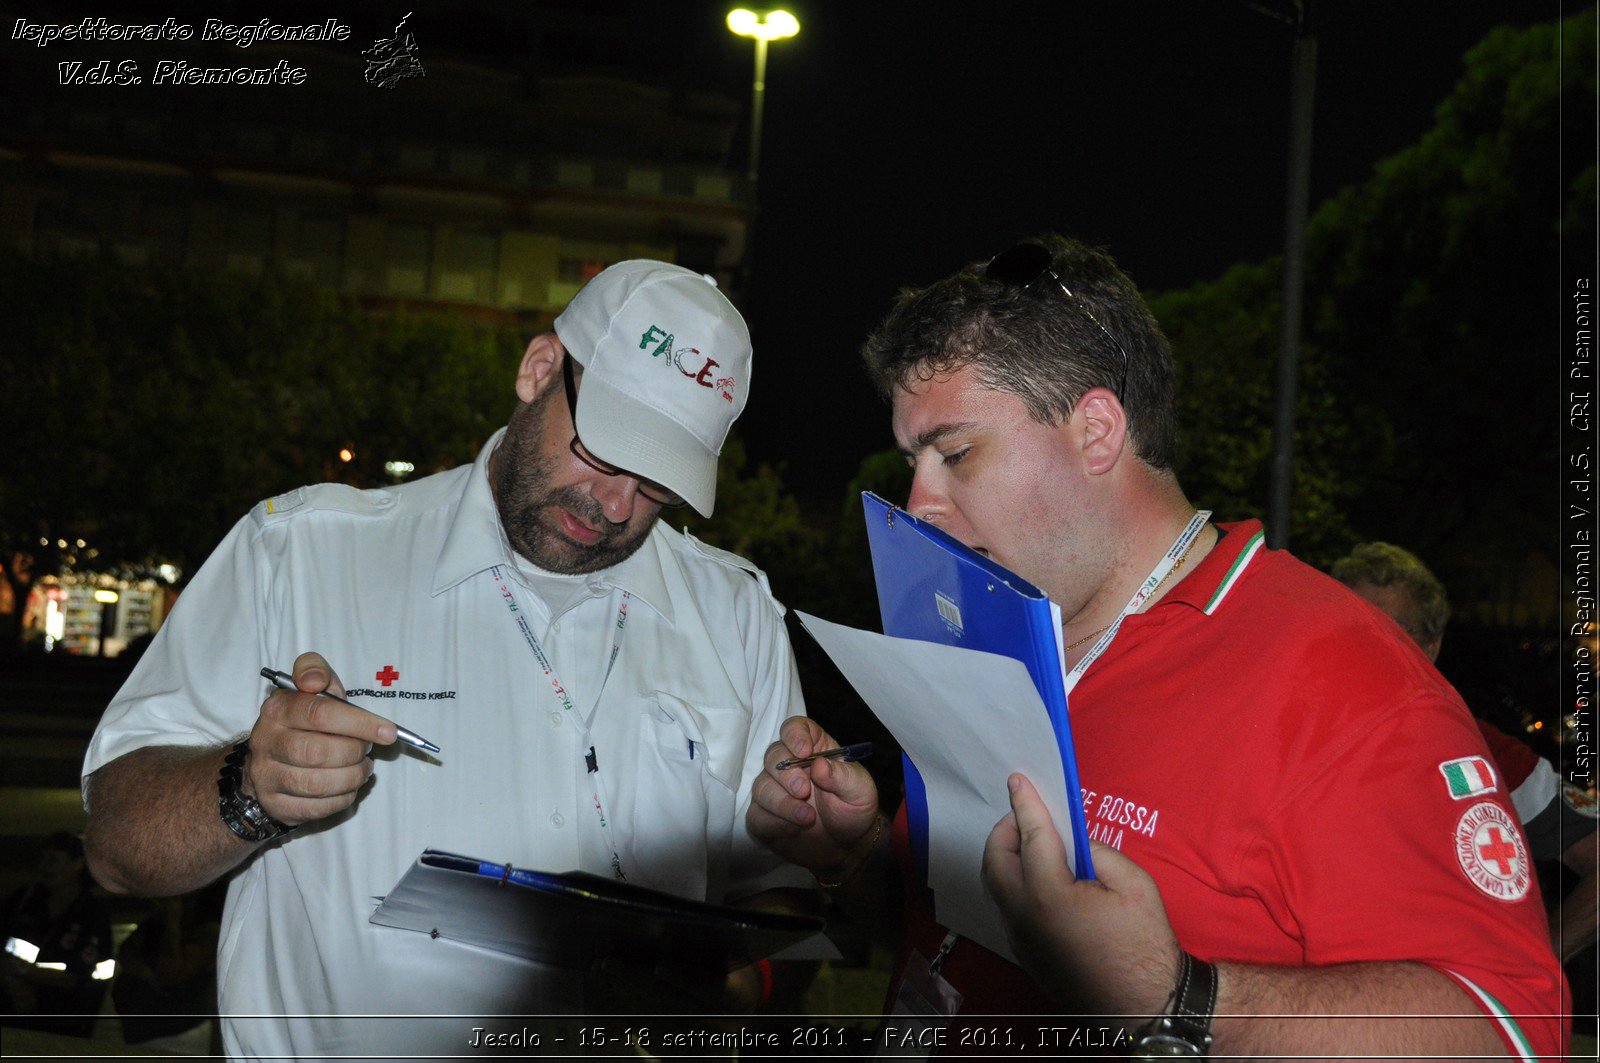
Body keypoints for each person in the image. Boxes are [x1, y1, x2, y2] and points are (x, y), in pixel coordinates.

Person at [748, 235, 1568, 1057]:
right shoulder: (990, 636)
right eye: (914, 460)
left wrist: (1175, 995)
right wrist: (853, 857)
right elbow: (962, 941)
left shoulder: (1343, 678)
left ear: (1097, 432)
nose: (920, 503)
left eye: (956, 453)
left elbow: (1514, 1032)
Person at [81, 260, 811, 1058]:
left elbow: (782, 903)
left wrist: (745, 988)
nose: (616, 506)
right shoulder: (299, 553)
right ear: (539, 370)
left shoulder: (735, 614)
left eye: (659, 484)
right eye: (605, 452)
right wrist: (250, 787)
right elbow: (115, 846)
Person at [1332, 541, 1599, 964]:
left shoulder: (1480, 748)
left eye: (1396, 631)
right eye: (1356, 629)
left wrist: (1532, 970)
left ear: (1432, 645)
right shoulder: (1287, 737)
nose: (1373, 649)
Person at [0, 831, 114, 1038]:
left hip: (65, 1024)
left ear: (78, 864)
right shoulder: (25, 901)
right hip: (16, 1020)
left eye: (53, 860)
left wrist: (24, 974)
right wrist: (14, 981)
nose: (44, 867)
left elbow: (78, 977)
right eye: (42, 859)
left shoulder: (92, 914)